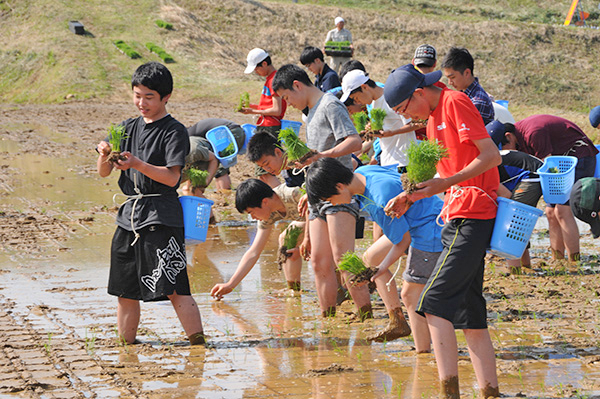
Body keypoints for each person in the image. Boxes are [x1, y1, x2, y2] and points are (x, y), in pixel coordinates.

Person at [383, 64, 501, 398]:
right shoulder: (433, 119)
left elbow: (490, 156)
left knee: (432, 302)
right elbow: (444, 175)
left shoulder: (455, 102)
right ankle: (489, 391)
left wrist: (446, 183)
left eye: (404, 109)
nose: (407, 117)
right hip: (454, 215)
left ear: (418, 92)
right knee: (470, 312)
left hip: (474, 213)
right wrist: (409, 196)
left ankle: (449, 392)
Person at [96, 62, 205, 346]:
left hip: (162, 216)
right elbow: (104, 172)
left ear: (165, 97)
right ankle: (126, 347)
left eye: (149, 97)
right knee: (125, 291)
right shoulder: (125, 128)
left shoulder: (173, 131)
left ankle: (198, 346)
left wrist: (137, 164)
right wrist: (104, 153)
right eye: (137, 95)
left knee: (175, 288)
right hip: (129, 216)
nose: (141, 103)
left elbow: (171, 178)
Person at [306, 158, 445, 350]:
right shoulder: (364, 172)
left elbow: (403, 241)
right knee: (370, 258)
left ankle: (423, 351)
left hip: (429, 229)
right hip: (420, 218)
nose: (332, 204)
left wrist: (381, 269)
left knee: (410, 294)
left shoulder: (379, 199)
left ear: (339, 186)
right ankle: (397, 320)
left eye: (329, 200)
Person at [272, 64, 371, 319]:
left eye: (286, 97)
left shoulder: (329, 104)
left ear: (297, 85)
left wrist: (322, 155)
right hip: (317, 195)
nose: (288, 103)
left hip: (337, 190)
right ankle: (328, 317)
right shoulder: (311, 113)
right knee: (318, 261)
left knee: (344, 259)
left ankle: (366, 314)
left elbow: (354, 141)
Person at [507, 115, 598, 262]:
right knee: (550, 212)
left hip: (579, 158)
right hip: (560, 164)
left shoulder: (532, 133)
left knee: (562, 210)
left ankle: (573, 261)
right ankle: (558, 259)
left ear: (508, 137)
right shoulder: (520, 135)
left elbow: (548, 166)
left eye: (503, 147)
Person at [210, 179, 306, 298]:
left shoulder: (293, 194)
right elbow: (254, 251)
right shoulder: (268, 213)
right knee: (287, 239)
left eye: (251, 212)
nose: (253, 217)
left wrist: (307, 241)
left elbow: (319, 211)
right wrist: (231, 284)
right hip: (309, 221)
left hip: (327, 216)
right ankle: (294, 291)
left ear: (264, 202)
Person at [339, 69, 424, 170]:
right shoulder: (373, 104)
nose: (358, 102)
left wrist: (392, 132)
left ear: (364, 87)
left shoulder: (392, 98)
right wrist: (371, 129)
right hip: (386, 161)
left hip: (403, 160)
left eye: (356, 98)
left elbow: (417, 124)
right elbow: (387, 125)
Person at [488, 121, 543, 272]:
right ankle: (526, 265)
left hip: (532, 178)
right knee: (520, 222)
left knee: (512, 221)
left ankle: (515, 270)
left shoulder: (486, 166)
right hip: (533, 175)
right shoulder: (490, 159)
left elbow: (505, 195)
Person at [242, 48, 287, 187]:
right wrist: (254, 107)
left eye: (256, 69)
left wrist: (252, 112)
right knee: (264, 173)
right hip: (266, 124)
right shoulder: (270, 79)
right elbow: (268, 106)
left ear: (264, 64)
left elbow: (276, 109)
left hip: (270, 127)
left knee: (265, 172)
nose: (256, 72)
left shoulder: (274, 80)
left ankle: (282, 198)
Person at [186, 118, 246, 191]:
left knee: (220, 167)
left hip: (230, 132)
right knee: (219, 164)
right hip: (235, 131)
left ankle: (224, 194)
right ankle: (222, 192)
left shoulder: (188, 137)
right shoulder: (192, 131)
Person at [441, 47, 495, 125]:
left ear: (467, 73)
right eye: (448, 78)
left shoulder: (477, 102)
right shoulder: (463, 94)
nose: (450, 82)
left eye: (452, 77)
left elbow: (468, 133)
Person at [411, 44, 447, 140]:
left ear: (413, 62)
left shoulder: (407, 87)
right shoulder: (442, 89)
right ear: (435, 64)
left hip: (411, 141)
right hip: (437, 141)